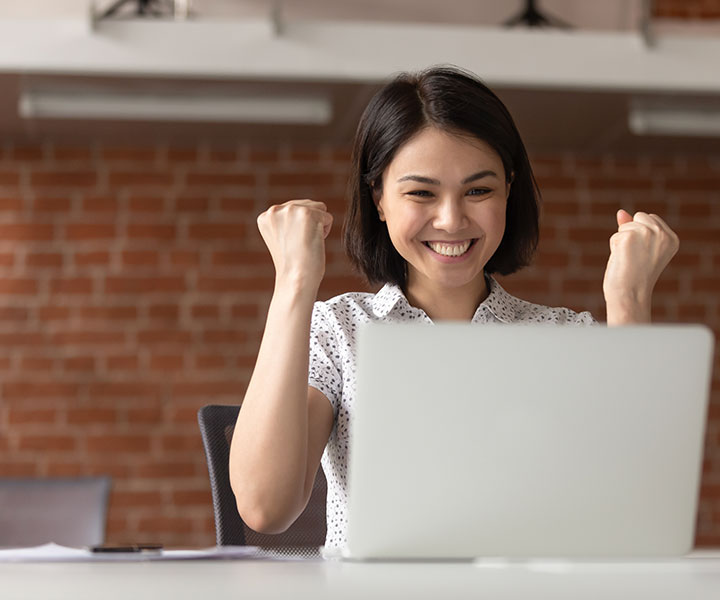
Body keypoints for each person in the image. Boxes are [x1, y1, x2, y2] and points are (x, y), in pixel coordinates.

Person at [229, 66, 680, 553]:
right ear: (378, 197)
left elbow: (641, 515)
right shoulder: (341, 330)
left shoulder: (566, 336)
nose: (451, 219)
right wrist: (295, 282)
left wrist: (629, 302)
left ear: (508, 189)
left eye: (478, 190)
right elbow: (265, 508)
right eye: (421, 192)